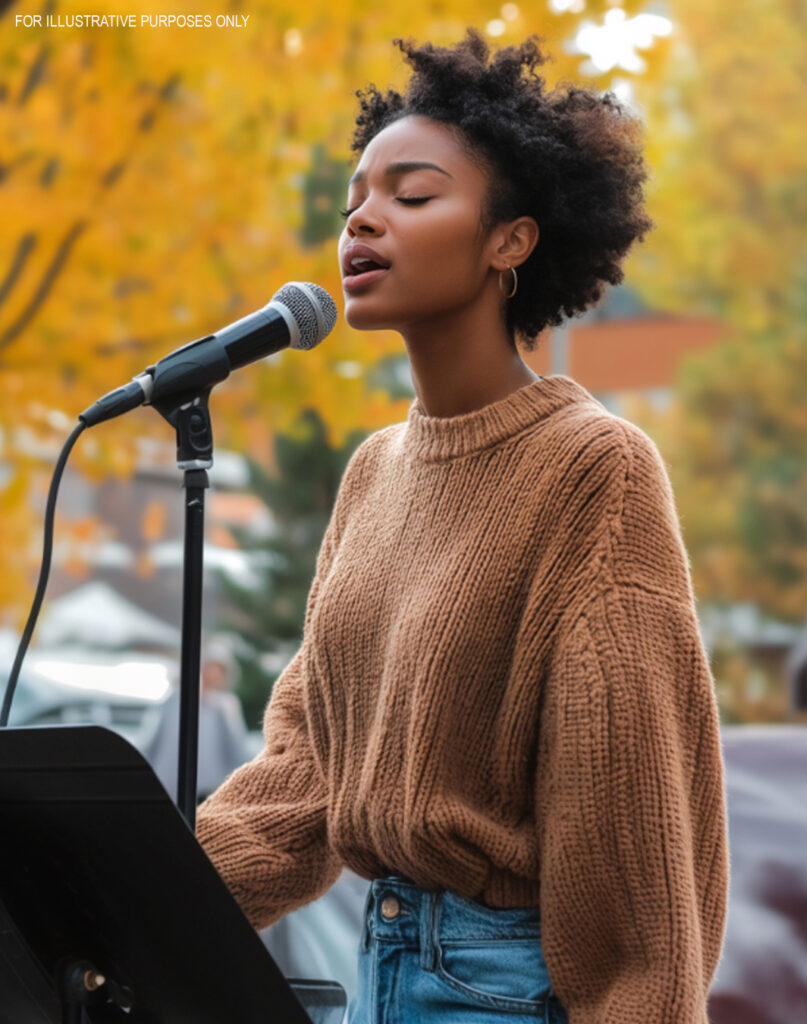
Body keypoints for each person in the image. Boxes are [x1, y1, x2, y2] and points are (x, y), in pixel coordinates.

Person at [195, 29, 730, 1024]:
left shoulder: (592, 471)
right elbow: (310, 774)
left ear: (509, 241)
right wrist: (132, 894)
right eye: (357, 198)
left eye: (411, 194)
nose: (362, 221)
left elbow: (634, 846)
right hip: (377, 970)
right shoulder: (373, 475)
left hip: (507, 987)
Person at [143, 639, 248, 802]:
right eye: (209, 667)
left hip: (208, 784)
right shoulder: (176, 698)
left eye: (217, 669)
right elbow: (156, 738)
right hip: (168, 778)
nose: (211, 673)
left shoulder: (226, 704)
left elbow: (235, 746)